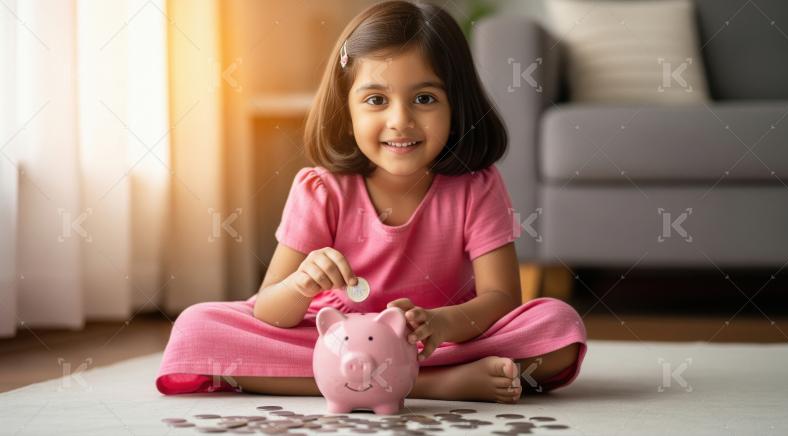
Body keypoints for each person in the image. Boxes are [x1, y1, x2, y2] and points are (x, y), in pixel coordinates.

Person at [156, 0, 587, 404]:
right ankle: (432, 384)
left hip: (437, 341)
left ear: (457, 105)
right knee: (197, 326)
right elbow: (268, 310)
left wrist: (440, 322)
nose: (400, 120)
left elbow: (501, 298)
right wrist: (302, 284)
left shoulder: (477, 185)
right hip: (334, 344)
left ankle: (377, 379)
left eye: (424, 98)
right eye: (376, 100)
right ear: (347, 109)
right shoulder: (320, 188)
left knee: (559, 326)